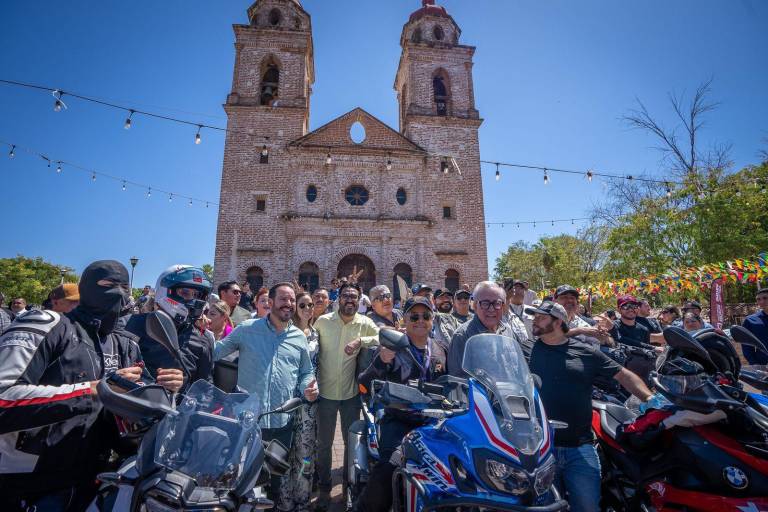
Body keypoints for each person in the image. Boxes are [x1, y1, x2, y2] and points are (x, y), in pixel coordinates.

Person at [0, 260, 148, 511]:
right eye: (108, 284)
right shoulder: (48, 324)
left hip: (97, 481)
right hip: (30, 484)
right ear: (86, 288)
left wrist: (158, 392)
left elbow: (133, 416)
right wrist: (95, 390)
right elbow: (3, 398)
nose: (118, 293)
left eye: (124, 286)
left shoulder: (124, 344)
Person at [524, 301, 654, 512]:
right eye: (534, 316)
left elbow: (624, 375)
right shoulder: (526, 349)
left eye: (541, 316)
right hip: (540, 450)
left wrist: (652, 400)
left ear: (558, 322)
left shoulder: (585, 352)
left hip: (580, 447)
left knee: (588, 507)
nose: (535, 320)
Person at [214, 283, 318, 505]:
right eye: (283, 299)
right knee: (241, 478)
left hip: (282, 422)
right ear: (270, 302)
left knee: (275, 481)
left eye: (291, 300)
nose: (288, 304)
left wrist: (308, 385)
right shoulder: (246, 329)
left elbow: (306, 370)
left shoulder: (299, 337)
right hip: (248, 422)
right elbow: (213, 353)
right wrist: (203, 333)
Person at [356, 297, 447, 512]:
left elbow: (455, 383)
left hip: (434, 424)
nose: (420, 320)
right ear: (404, 319)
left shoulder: (441, 348)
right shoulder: (392, 346)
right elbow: (364, 384)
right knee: (391, 466)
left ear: (432, 320)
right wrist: (381, 361)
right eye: (414, 316)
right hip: (399, 421)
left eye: (425, 316)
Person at [313, 282, 379, 510]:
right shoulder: (323, 322)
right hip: (325, 394)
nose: (349, 300)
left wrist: (362, 341)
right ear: (338, 298)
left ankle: (348, 488)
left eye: (354, 297)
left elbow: (382, 337)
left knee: (352, 445)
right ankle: (323, 488)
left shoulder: (365, 323)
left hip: (351, 395)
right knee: (323, 444)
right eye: (345, 296)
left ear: (360, 300)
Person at [125, 265, 212, 393]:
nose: (193, 300)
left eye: (198, 295)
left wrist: (182, 388)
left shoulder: (203, 340)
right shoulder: (130, 325)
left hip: (175, 410)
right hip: (130, 406)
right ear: (166, 291)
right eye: (185, 293)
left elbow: (205, 388)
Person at [278, 291, 320, 512]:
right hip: (285, 400)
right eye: (302, 305)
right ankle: (284, 503)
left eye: (310, 305)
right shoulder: (284, 333)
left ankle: (302, 501)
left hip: (308, 404)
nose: (307, 309)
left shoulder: (316, 335)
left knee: (305, 453)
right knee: (284, 451)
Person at [447, 281, 515, 377]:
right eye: (485, 303)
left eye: (497, 303)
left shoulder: (508, 331)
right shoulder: (462, 336)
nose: (491, 309)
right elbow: (458, 381)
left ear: (503, 306)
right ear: (474, 306)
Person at [742, 288, 768, 365]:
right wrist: (755, 364)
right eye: (758, 299)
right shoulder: (750, 320)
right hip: (763, 365)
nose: (762, 301)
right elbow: (746, 344)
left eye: (765, 298)